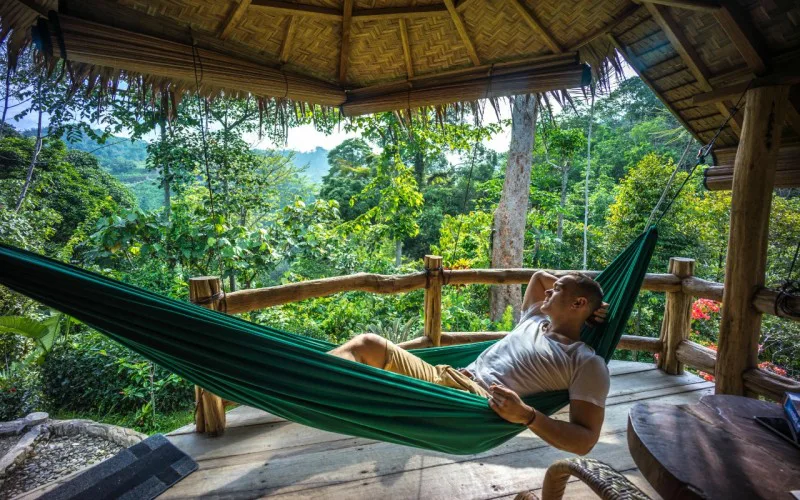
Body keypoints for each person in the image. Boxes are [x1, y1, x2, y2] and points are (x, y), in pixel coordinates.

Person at [328, 271, 610, 455]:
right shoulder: (535, 318)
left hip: (472, 402)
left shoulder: (585, 362)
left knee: (367, 346)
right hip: (449, 377)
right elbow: (538, 278)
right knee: (366, 348)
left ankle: (298, 382)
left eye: (557, 290)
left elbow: (584, 440)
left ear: (577, 304)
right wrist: (587, 303)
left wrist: (528, 416)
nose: (549, 291)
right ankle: (305, 381)